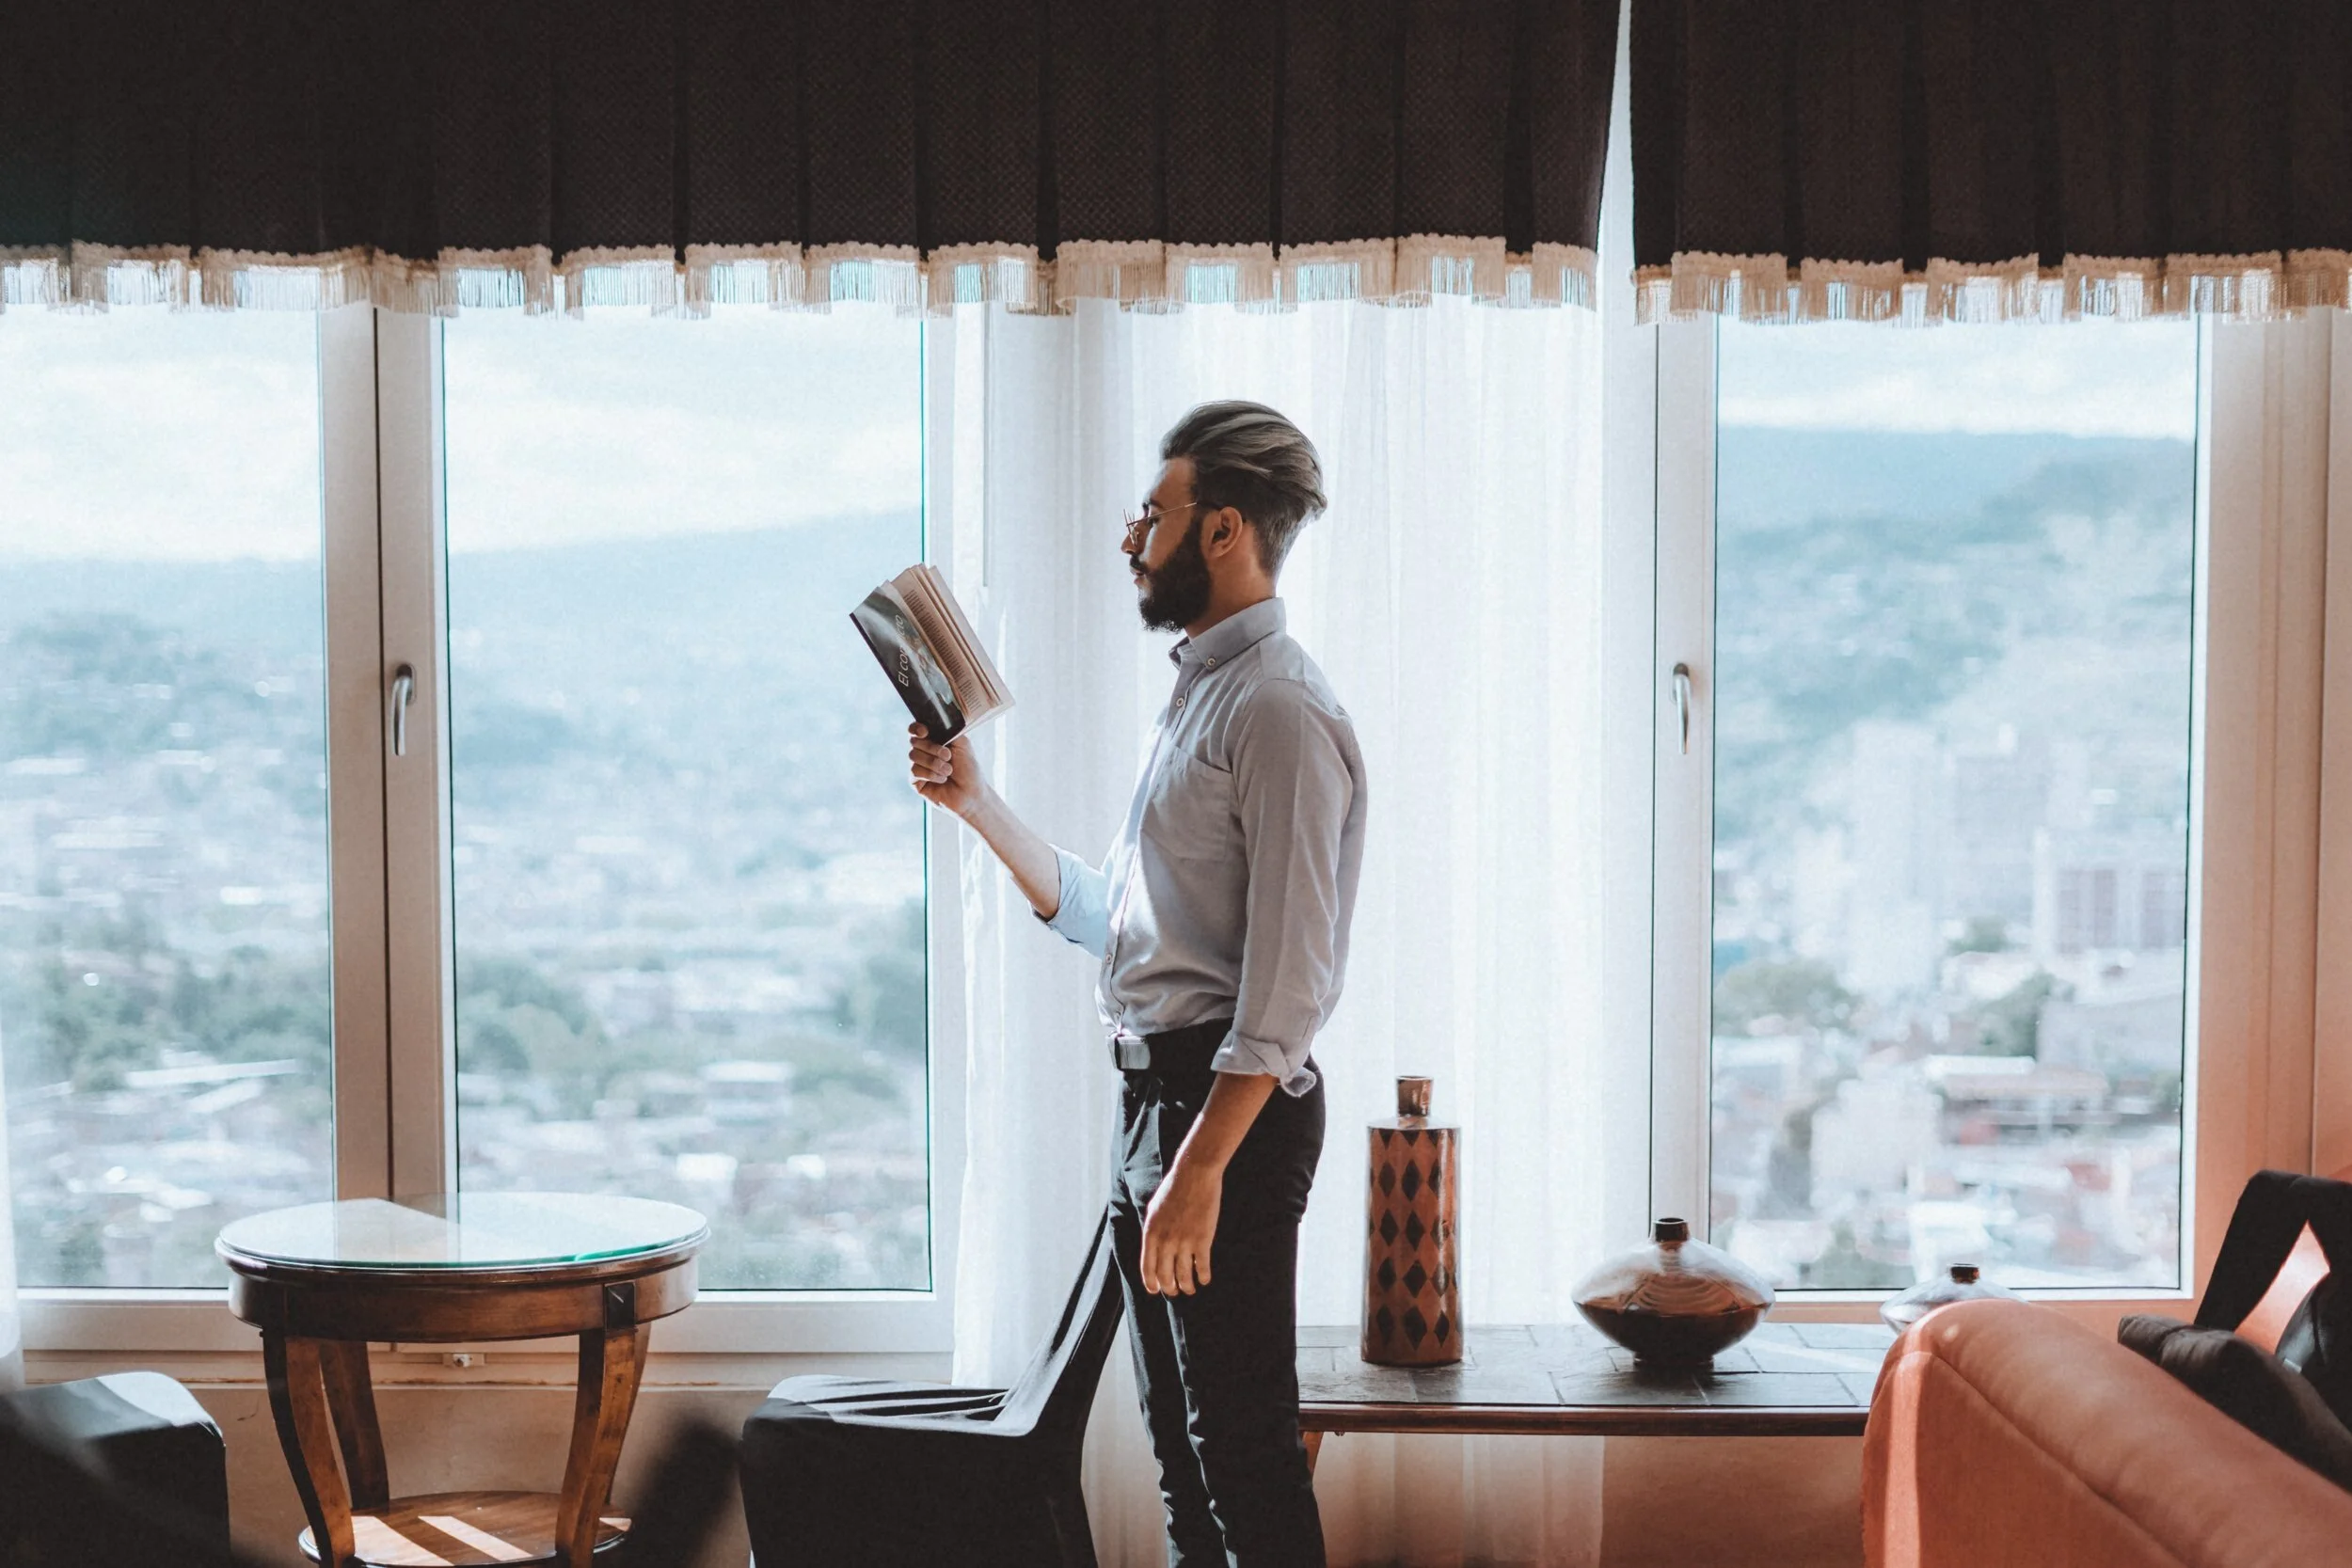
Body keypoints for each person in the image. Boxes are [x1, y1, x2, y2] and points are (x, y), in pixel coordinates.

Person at [907, 400, 1365, 1566]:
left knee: (1241, 1453)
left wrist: (1201, 1165)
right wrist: (974, 802)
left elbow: (1289, 976)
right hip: (1158, 1108)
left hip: (1223, 1121)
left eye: (1149, 513)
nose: (1129, 536)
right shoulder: (1202, 693)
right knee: (1180, 1449)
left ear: (1220, 529)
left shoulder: (1277, 706)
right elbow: (1123, 917)